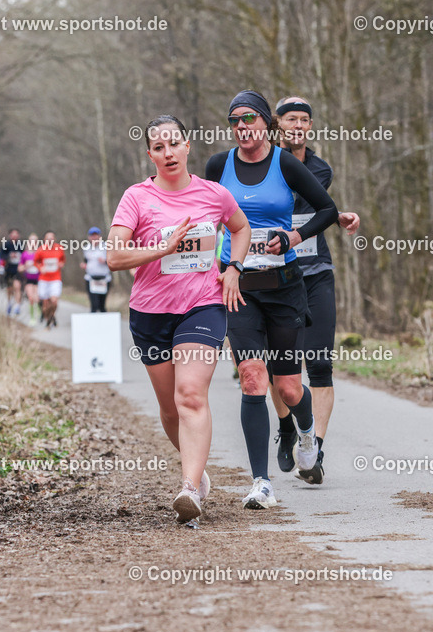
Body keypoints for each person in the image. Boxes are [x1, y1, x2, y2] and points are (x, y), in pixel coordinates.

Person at [205, 90, 360, 510]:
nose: (242, 127)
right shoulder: (219, 166)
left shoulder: (285, 163)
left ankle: (306, 432)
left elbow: (326, 210)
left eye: (250, 119)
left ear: (264, 124)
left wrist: (293, 236)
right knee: (253, 377)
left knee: (289, 386)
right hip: (238, 288)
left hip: (285, 285)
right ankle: (261, 483)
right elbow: (204, 216)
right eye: (235, 120)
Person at [107, 114, 250, 524]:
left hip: (202, 306)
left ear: (188, 146)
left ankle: (189, 490)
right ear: (149, 154)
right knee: (170, 409)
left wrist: (234, 268)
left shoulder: (214, 194)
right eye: (158, 147)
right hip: (150, 313)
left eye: (174, 143)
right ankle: (198, 472)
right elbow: (114, 256)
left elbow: (241, 229)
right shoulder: (136, 198)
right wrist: (161, 249)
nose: (168, 152)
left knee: (190, 395)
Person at [267, 96, 360, 483]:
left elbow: (316, 209)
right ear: (279, 124)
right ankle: (287, 426)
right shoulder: (262, 167)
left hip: (317, 271)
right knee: (281, 372)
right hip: (279, 276)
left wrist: (337, 216)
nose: (299, 126)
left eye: (305, 120)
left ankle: (314, 450)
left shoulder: (321, 169)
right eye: (291, 119)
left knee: (320, 365)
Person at [34, 231, 65, 328]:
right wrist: (40, 268)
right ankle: (49, 318)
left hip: (55, 278)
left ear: (54, 239)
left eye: (52, 238)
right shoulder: (40, 250)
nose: (50, 240)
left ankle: (51, 317)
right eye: (48, 238)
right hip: (44, 279)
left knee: (54, 301)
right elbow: (36, 262)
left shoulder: (59, 248)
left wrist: (61, 264)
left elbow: (63, 260)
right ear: (44, 240)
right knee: (45, 303)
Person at [82, 227, 112, 312]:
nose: (94, 238)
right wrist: (84, 265)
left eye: (96, 236)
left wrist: (105, 261)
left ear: (99, 236)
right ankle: (93, 324)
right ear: (89, 237)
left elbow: (113, 261)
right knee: (94, 305)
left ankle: (104, 324)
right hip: (90, 279)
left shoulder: (106, 246)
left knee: (102, 305)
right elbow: (86, 260)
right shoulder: (86, 248)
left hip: (104, 279)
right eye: (92, 236)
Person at [0, 228, 24, 316]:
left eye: (16, 234)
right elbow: (1, 255)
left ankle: (17, 306)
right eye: (13, 234)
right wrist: (9, 255)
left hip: (18, 270)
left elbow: (25, 255)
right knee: (10, 288)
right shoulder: (6, 245)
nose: (14, 236)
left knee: (17, 287)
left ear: (18, 235)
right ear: (10, 235)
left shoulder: (21, 244)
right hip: (9, 269)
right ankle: (10, 302)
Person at [20, 232, 41, 323]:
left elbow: (44, 265)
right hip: (28, 279)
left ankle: (39, 313)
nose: (33, 243)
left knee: (37, 298)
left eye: (35, 241)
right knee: (31, 298)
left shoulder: (40, 252)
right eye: (31, 241)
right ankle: (32, 317)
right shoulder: (25, 254)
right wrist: (26, 266)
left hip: (39, 279)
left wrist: (37, 265)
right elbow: (20, 268)